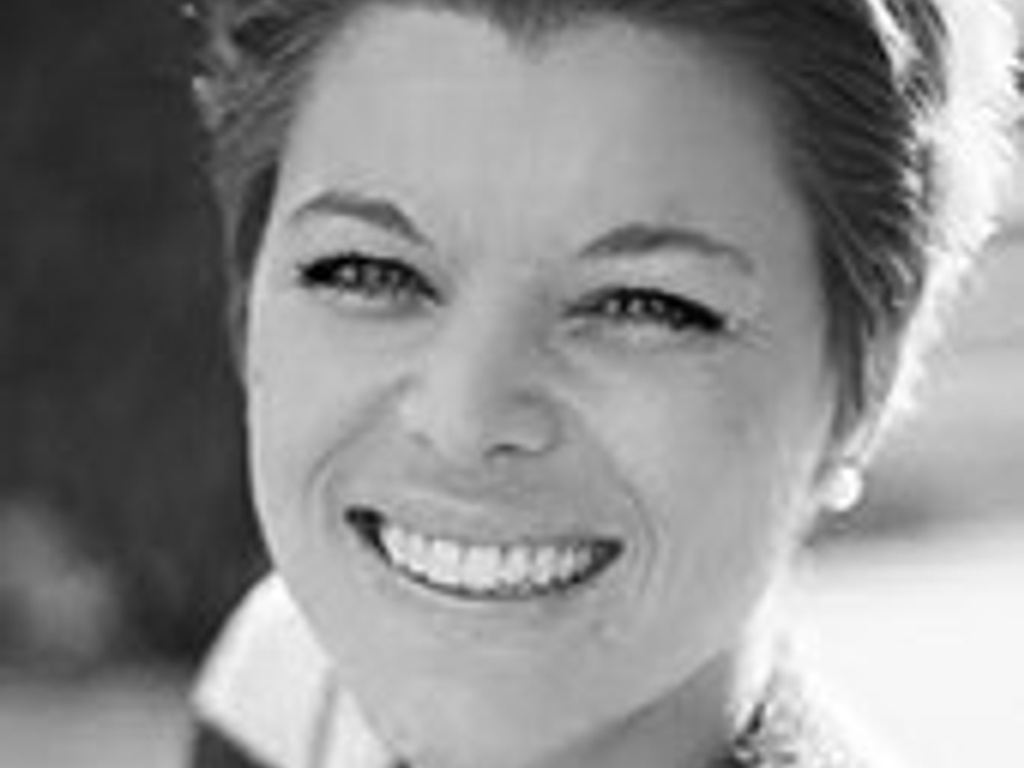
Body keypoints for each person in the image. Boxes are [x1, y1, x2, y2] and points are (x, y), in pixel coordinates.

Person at [184, 0, 1019, 767]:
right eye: (367, 271)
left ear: (863, 381)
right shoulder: (283, 688)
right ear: (249, 290)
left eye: (642, 304)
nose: (464, 416)